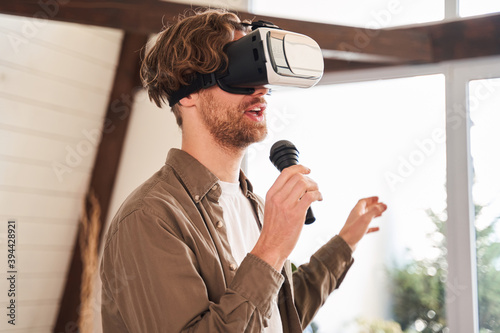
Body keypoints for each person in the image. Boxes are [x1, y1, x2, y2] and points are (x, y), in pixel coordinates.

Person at [100, 8, 387, 333]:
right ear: (188, 93)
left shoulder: (253, 205)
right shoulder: (150, 218)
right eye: (239, 71)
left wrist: (346, 241)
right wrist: (272, 246)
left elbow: (277, 314)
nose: (261, 90)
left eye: (262, 74)